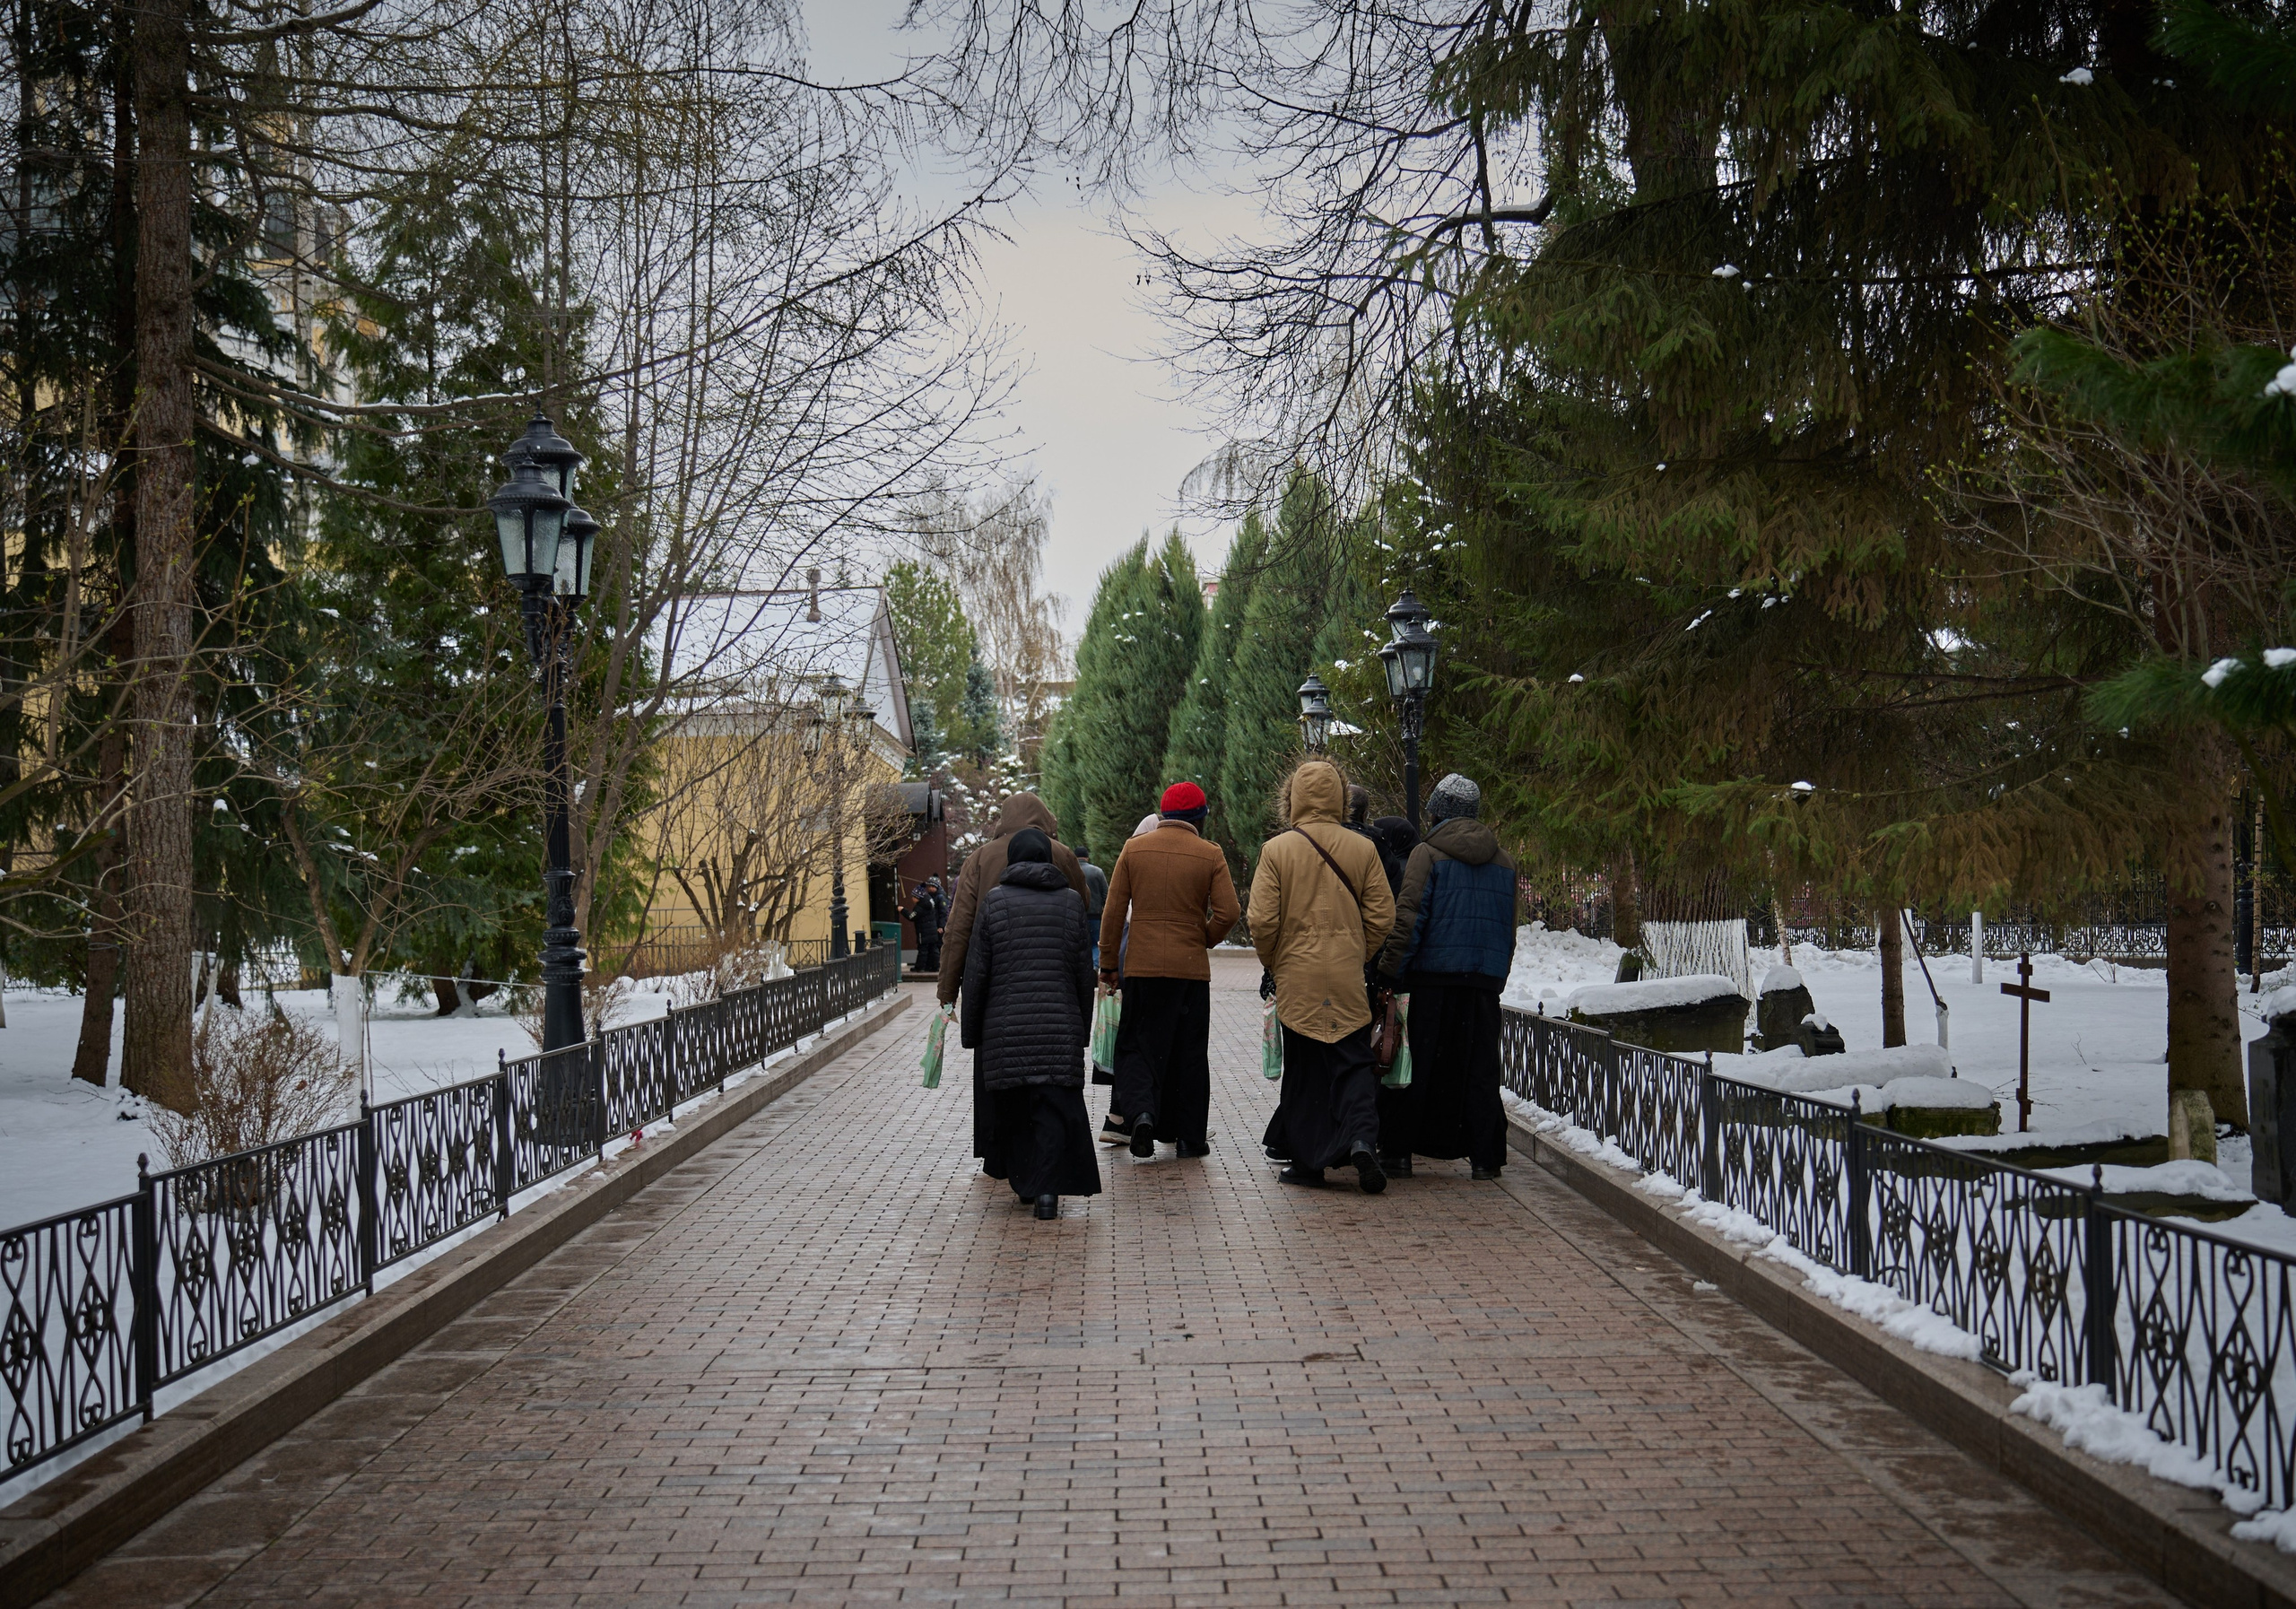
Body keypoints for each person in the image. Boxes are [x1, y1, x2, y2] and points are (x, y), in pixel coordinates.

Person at [1251, 760, 1396, 1192]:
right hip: (1348, 977)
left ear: (1293, 798)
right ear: (1340, 797)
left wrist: (1276, 961)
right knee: (1354, 1065)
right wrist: (1359, 953)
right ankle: (1360, 1139)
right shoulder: (1362, 848)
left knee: (1306, 1073)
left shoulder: (1277, 850)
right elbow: (1383, 915)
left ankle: (1309, 1162)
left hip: (1298, 978)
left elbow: (1260, 921)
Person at [937, 794, 1091, 1177]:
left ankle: (998, 1153)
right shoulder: (1062, 854)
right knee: (1051, 1078)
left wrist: (948, 991)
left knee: (997, 1074)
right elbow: (1081, 908)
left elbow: (958, 929)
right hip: (1054, 986)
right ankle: (1044, 1158)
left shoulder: (981, 858)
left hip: (993, 984)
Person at [1377, 774, 1518, 1181]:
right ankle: (1486, 1158)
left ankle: (1399, 1153)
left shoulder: (1427, 854)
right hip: (1482, 983)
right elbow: (1507, 932)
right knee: (1480, 1070)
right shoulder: (1505, 862)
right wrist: (1496, 977)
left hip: (1432, 981)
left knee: (1415, 1066)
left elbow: (1409, 920)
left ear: (1438, 811)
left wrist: (1391, 972)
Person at [960, 829, 1102, 1218]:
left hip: (1007, 1031)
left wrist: (971, 1032)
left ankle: (1025, 1184)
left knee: (1016, 1110)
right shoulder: (1072, 903)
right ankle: (1047, 1195)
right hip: (1059, 1029)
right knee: (1054, 1109)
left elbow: (977, 975)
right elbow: (1081, 974)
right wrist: (1082, 1027)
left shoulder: (994, 903)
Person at [1098, 781, 1242, 1159]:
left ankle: (1142, 1114)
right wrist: (1202, 938)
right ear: (1199, 817)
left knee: (1136, 1047)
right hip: (1190, 973)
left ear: (1163, 815)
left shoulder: (1134, 849)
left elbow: (1113, 913)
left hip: (1143, 969)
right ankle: (1190, 1138)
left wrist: (1109, 964)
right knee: (1190, 1052)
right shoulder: (1209, 854)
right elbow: (1229, 912)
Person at [1078, 850, 1109, 972]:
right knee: (1096, 943)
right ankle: (1095, 967)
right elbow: (1106, 894)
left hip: (1077, 914)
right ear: (1087, 857)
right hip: (1095, 914)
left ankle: (1083, 969)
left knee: (1081, 944)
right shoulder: (1097, 871)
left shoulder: (1071, 871)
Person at [909, 876, 946, 976]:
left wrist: (941, 926)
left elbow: (943, 913)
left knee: (932, 948)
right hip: (933, 925)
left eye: (933, 886)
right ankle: (932, 966)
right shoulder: (929, 897)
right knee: (932, 948)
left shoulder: (939, 898)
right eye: (929, 886)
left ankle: (931, 966)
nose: (930, 888)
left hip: (936, 926)